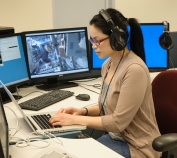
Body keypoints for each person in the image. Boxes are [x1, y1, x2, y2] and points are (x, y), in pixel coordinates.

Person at [49, 8, 161, 158]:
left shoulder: (134, 70)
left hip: (137, 146)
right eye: (91, 40)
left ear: (116, 38)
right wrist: (81, 111)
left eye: (97, 40)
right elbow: (108, 107)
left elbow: (117, 122)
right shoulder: (107, 65)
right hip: (117, 138)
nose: (93, 45)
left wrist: (73, 120)